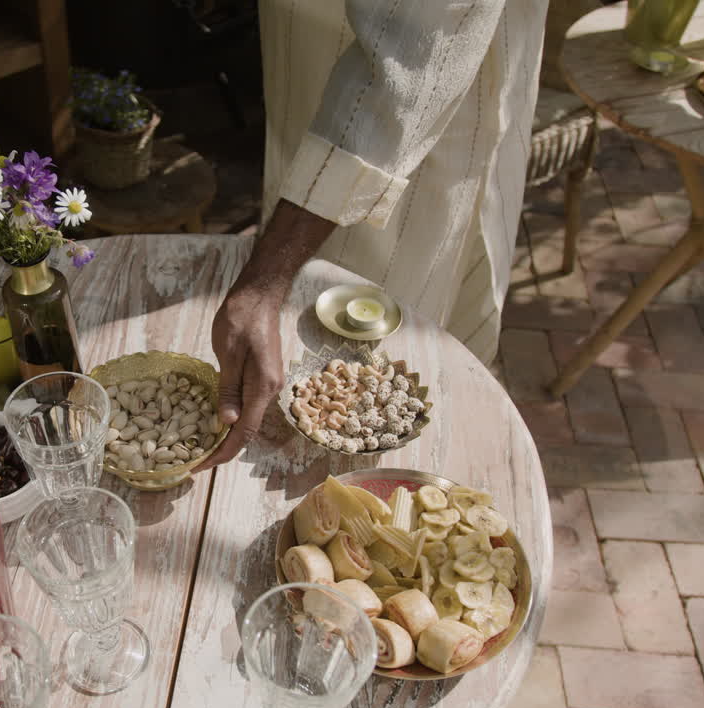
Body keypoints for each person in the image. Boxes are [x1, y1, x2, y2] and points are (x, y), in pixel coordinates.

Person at [197, 0, 549, 470]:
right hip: (311, 58)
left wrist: (265, 282)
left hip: (419, 112)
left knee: (394, 330)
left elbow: (415, 56)